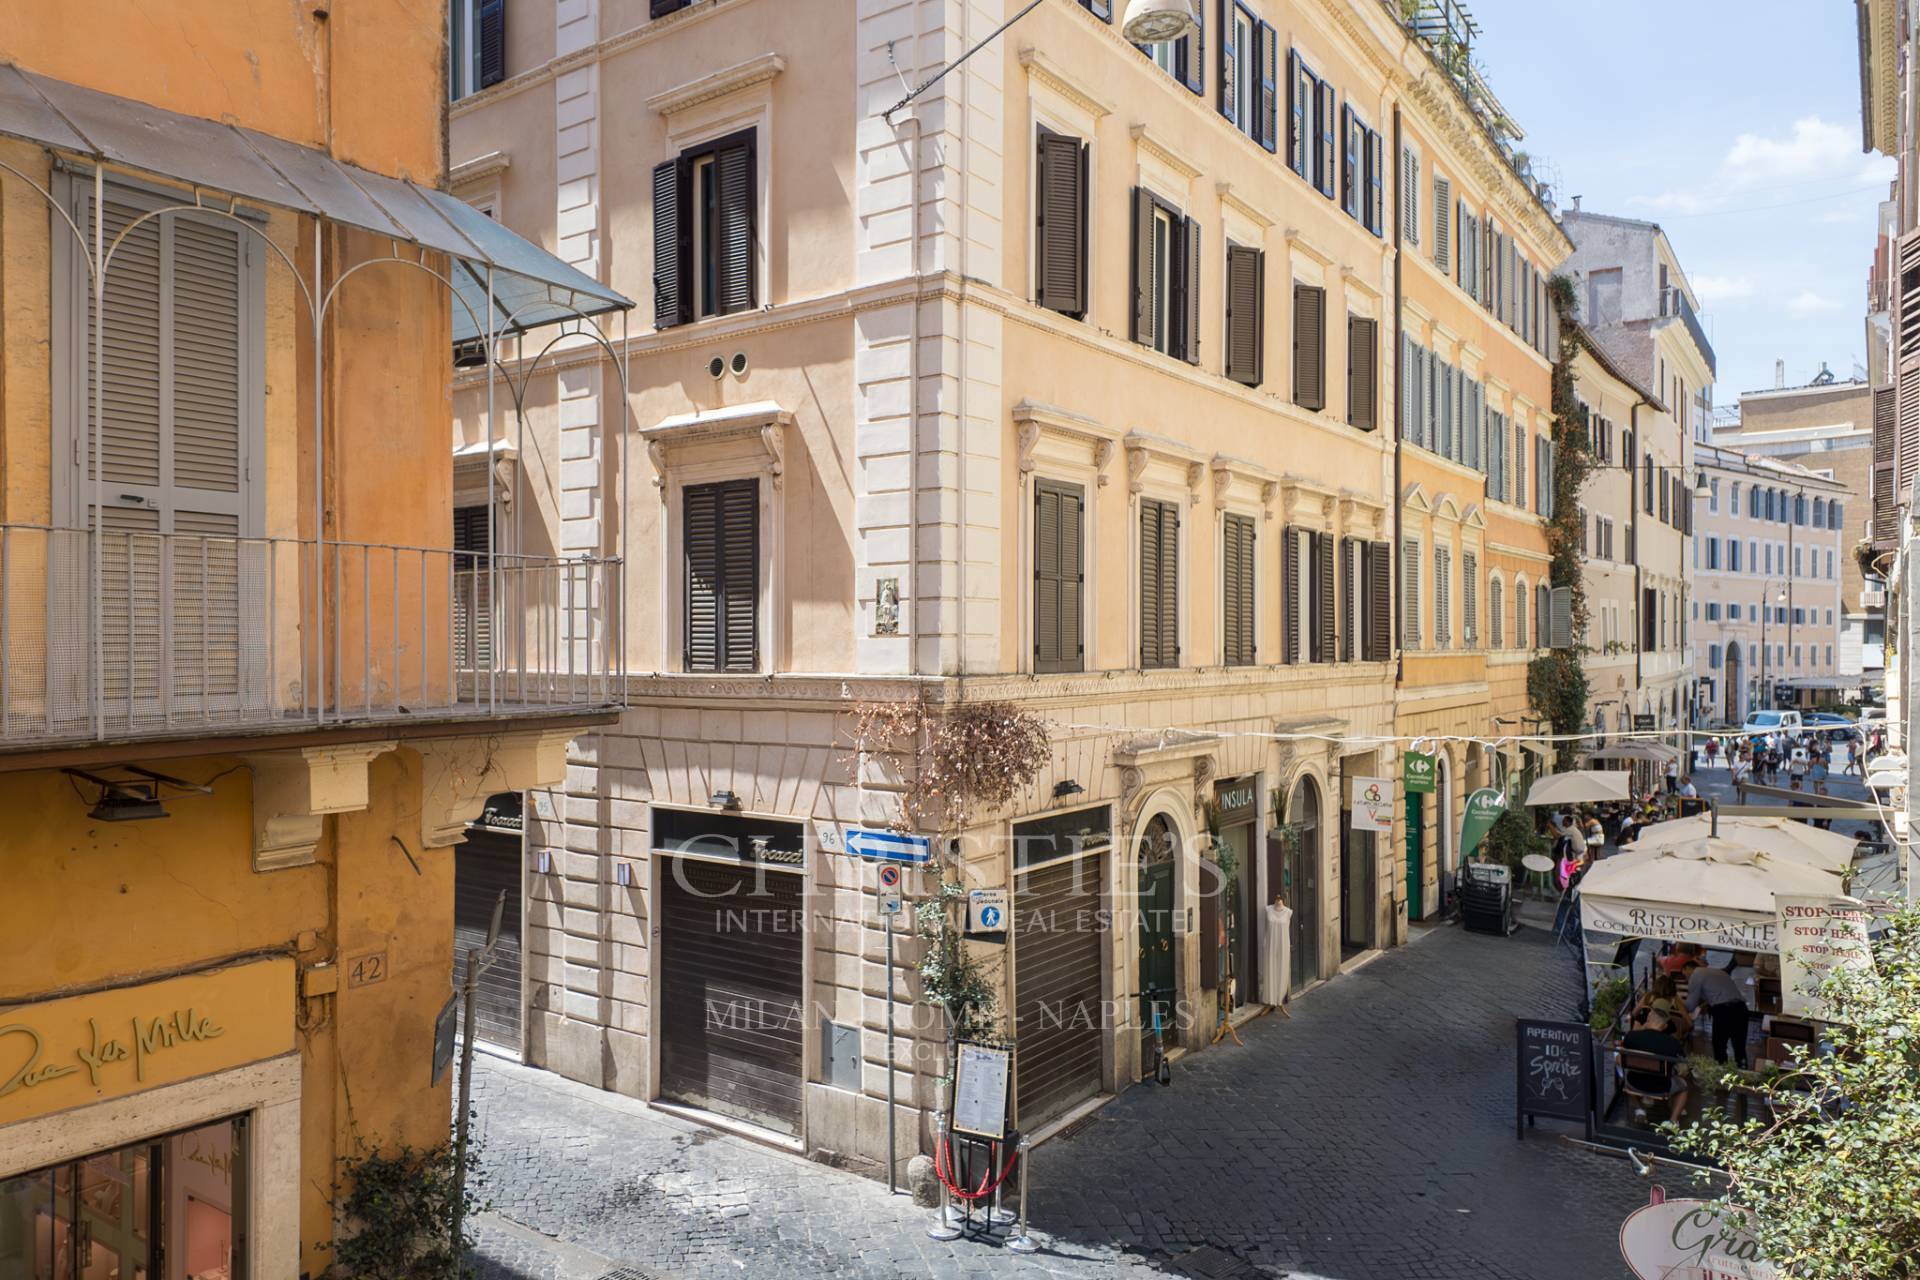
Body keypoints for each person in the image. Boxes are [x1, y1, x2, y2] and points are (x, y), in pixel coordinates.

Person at [1621, 1007, 1692, 1122]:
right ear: (1664, 1026)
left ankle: (1639, 1109)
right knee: (1683, 1086)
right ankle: (1673, 1120)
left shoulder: (1631, 1037)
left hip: (1634, 1083)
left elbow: (1620, 1060)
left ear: (1647, 1020)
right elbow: (1683, 1070)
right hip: (1662, 1087)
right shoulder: (1672, 1043)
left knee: (1626, 1073)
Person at [1686, 960, 1751, 1067]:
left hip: (1724, 1011)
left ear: (1687, 969)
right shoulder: (1717, 972)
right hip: (1741, 1008)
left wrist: (1679, 1007)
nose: (1686, 978)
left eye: (1684, 974)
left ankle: (1722, 1074)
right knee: (1739, 1047)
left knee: (1719, 1045)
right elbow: (1718, 993)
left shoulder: (1696, 973)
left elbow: (1690, 1004)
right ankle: (1743, 1075)